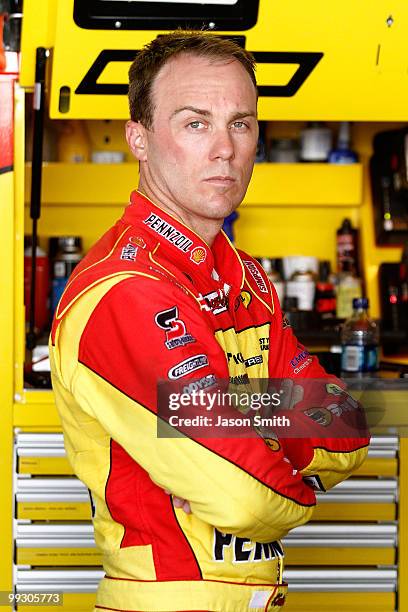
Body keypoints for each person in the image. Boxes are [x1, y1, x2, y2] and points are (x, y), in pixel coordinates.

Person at [50, 32, 369, 612]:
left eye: (241, 124)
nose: (225, 147)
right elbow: (244, 497)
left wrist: (242, 419)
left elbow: (344, 427)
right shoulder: (127, 290)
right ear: (139, 139)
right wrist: (284, 445)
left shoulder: (245, 277)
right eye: (195, 123)